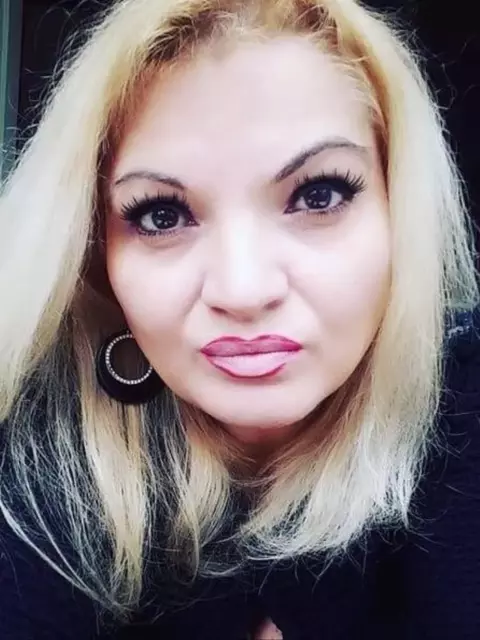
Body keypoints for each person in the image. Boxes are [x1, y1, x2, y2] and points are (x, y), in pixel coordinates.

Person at [0, 0, 479, 638]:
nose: (243, 290)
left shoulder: (464, 415)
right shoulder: (38, 453)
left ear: (399, 211)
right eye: (162, 215)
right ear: (94, 257)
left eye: (319, 194)